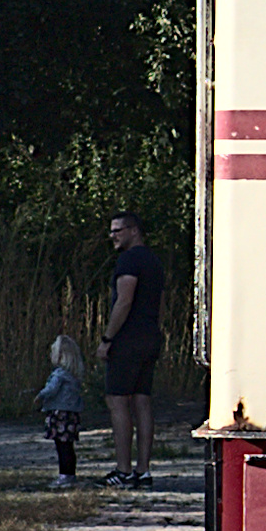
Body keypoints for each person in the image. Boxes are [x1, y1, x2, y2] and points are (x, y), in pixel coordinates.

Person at [99, 209, 166, 488]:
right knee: (142, 400)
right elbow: (161, 303)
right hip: (150, 336)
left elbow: (124, 301)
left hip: (128, 339)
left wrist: (107, 338)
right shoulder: (154, 261)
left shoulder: (129, 260)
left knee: (117, 400)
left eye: (118, 230)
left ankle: (123, 470)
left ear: (134, 231)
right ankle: (143, 470)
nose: (112, 236)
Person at [37, 334, 86, 489]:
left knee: (61, 446)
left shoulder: (59, 375)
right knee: (68, 446)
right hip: (72, 414)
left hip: (59, 414)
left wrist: (40, 395)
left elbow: (51, 389)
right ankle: (69, 474)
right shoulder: (74, 377)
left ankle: (64, 475)